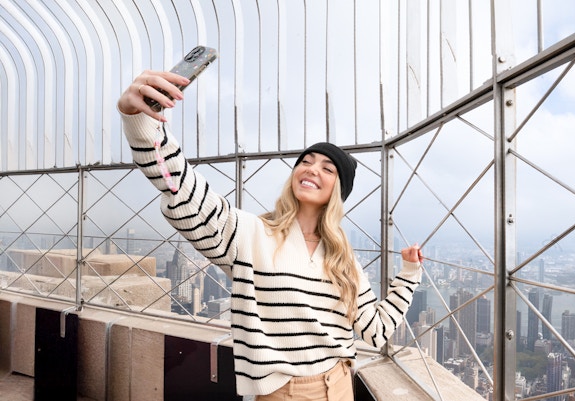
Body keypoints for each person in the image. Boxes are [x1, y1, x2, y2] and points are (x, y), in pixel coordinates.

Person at [117, 70, 423, 401]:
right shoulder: (251, 234)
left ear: (339, 190)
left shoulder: (343, 259)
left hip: (341, 383)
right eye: (306, 161)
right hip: (286, 392)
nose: (311, 168)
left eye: (327, 168)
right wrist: (142, 124)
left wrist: (409, 273)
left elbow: (376, 332)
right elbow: (182, 188)